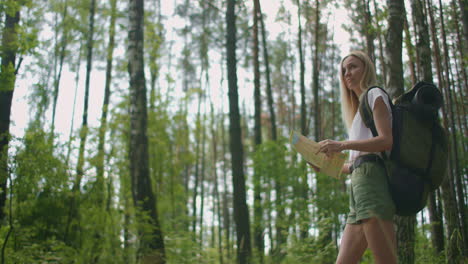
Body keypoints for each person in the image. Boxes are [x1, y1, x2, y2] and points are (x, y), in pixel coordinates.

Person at [312, 50, 397, 264]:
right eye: (343, 70)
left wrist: (342, 144)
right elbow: (355, 164)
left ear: (366, 68)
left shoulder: (374, 94)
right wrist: (324, 165)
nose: (347, 73)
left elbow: (386, 141)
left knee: (385, 260)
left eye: (353, 67)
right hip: (358, 185)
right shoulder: (359, 111)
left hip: (372, 182)